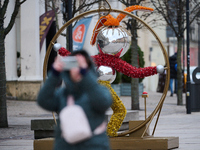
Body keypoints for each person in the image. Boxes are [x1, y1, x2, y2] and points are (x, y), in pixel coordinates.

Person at [37, 50, 112, 150]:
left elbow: (103, 103)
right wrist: (54, 74)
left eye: (81, 65)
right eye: (74, 65)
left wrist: (85, 74)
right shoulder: (63, 94)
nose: (77, 69)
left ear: (88, 68)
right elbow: (43, 100)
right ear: (68, 70)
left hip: (95, 145)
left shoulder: (98, 90)